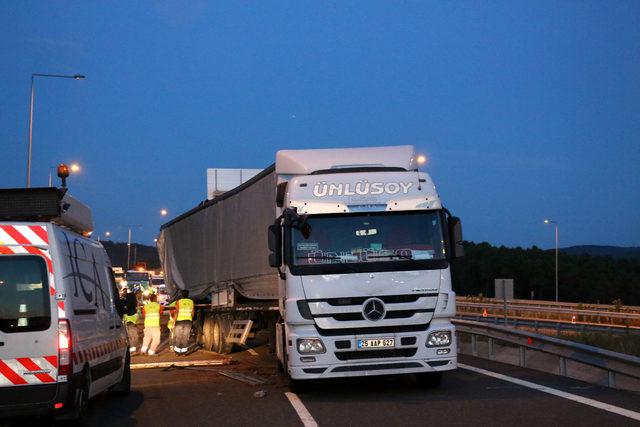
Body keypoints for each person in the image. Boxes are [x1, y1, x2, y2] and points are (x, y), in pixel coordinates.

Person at [174, 290, 194, 356]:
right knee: (185, 336)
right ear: (188, 294)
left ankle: (177, 352)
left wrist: (174, 321)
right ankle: (184, 352)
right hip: (188, 321)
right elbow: (192, 313)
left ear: (181, 295)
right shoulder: (191, 302)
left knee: (178, 336)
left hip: (179, 321)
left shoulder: (178, 302)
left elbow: (177, 312)